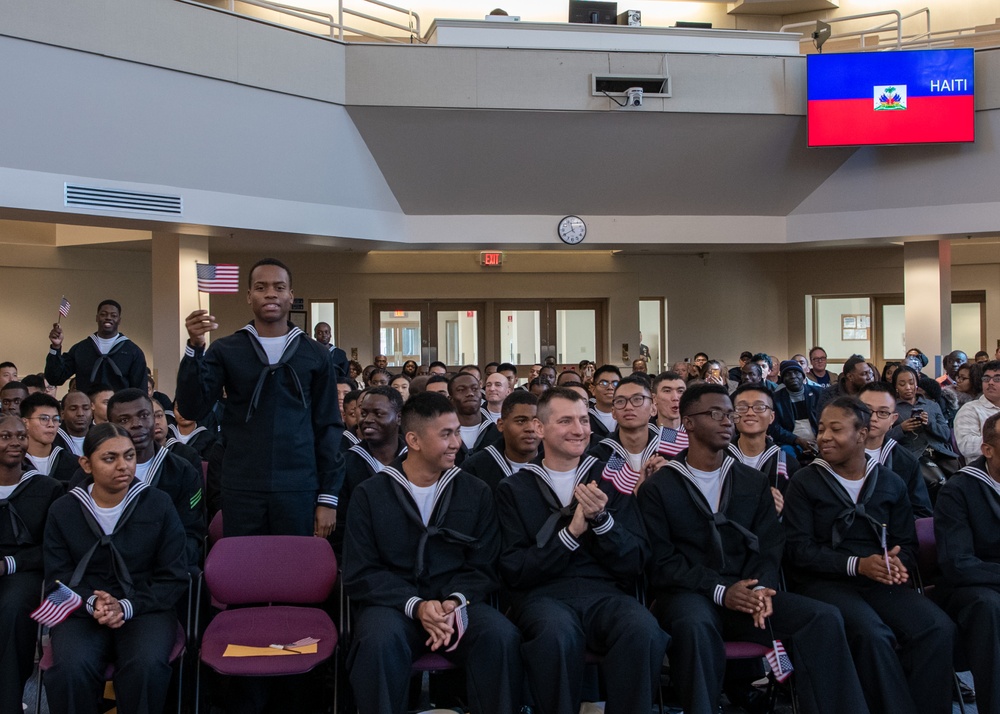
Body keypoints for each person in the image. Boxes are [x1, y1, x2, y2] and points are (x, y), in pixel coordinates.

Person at [638, 383, 868, 714]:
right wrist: (721, 590)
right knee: (695, 625)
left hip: (747, 595)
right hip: (688, 595)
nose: (727, 421)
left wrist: (760, 589)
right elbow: (662, 563)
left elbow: (770, 546)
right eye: (715, 414)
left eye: (729, 414)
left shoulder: (752, 480)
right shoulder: (660, 486)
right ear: (687, 422)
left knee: (823, 617)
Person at [343, 392, 523, 714]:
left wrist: (453, 600)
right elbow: (361, 571)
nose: (457, 442)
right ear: (413, 439)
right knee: (377, 643)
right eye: (446, 434)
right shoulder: (370, 494)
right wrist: (416, 605)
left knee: (500, 635)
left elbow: (484, 565)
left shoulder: (475, 490)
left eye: (456, 432)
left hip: (455, 603)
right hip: (394, 606)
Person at [495, 388, 668, 714]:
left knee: (643, 629)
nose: (579, 429)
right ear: (540, 428)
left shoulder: (611, 479)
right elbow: (513, 568)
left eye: (584, 420)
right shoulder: (513, 489)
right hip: (542, 596)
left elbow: (636, 560)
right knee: (556, 634)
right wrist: (572, 533)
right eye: (566, 421)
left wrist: (603, 522)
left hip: (603, 594)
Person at [782, 397, 956, 714]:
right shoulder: (805, 482)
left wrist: (898, 566)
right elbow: (797, 550)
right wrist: (857, 565)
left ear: (862, 434)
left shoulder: (889, 481)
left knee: (936, 628)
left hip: (879, 581)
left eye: (836, 429)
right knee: (872, 634)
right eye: (821, 429)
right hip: (825, 584)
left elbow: (907, 543)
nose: (824, 437)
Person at [176, 258, 344, 538]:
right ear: (248, 296)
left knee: (293, 568)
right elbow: (193, 407)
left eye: (279, 287)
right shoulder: (227, 349)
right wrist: (195, 348)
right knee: (245, 569)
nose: (270, 293)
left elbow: (328, 425)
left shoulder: (315, 353)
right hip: (241, 485)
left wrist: (328, 496)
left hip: (299, 484)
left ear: (291, 296)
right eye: (260, 287)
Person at [43, 423, 188, 714]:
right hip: (81, 608)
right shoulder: (63, 509)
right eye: (110, 458)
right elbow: (56, 581)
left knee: (145, 666)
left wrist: (125, 606)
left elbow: (173, 576)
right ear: (86, 463)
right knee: (71, 668)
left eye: (130, 456)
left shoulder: (158, 504)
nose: (123, 466)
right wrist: (94, 602)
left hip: (145, 606)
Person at [934, 411, 1000, 714]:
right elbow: (958, 564)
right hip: (971, 588)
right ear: (987, 450)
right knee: (988, 607)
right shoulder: (958, 489)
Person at [0, 415, 63, 714]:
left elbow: (53, 547)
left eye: (20, 436)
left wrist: (9, 563)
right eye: (5, 436)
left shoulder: (46, 489)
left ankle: (8, 701)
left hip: (25, 571)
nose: (14, 442)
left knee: (12, 606)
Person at [335, 386, 406, 545]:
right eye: (364, 413)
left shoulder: (414, 460)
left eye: (378, 414)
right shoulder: (345, 464)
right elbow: (340, 523)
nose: (367, 419)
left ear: (399, 417)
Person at [857, 383, 933, 518]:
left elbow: (922, 513)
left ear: (893, 419)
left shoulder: (906, 461)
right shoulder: (836, 453)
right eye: (867, 411)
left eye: (883, 413)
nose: (873, 418)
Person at [45, 300, 148, 394]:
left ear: (119, 320)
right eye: (103, 314)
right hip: (88, 409)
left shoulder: (133, 351)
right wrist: (55, 347)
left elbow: (140, 390)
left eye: (113, 315)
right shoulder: (81, 349)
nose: (108, 318)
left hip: (120, 410)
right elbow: (55, 378)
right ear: (97, 318)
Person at [588, 376, 666, 495]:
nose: (628, 407)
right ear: (613, 412)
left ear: (653, 408)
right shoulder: (598, 456)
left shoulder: (667, 453)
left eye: (637, 399)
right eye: (620, 401)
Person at [728, 383, 799, 509]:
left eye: (760, 407)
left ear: (772, 417)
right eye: (742, 407)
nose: (750, 412)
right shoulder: (719, 458)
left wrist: (781, 509)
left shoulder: (788, 465)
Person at [463, 391, 540, 493]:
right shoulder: (474, 469)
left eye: (536, 421)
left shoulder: (557, 463)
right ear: (500, 425)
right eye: (521, 421)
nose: (530, 428)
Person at [890, 366, 960, 475]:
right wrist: (901, 429)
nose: (908, 387)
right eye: (902, 384)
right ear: (896, 387)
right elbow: (883, 438)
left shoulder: (932, 405)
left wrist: (929, 424)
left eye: (911, 383)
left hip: (940, 453)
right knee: (937, 481)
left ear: (917, 384)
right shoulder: (891, 408)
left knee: (961, 479)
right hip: (913, 456)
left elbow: (946, 435)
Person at [20, 392, 78, 486]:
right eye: (44, 419)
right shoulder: (14, 462)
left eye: (55, 419)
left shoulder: (73, 463)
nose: (51, 424)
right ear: (25, 422)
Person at [770, 359, 821, 458]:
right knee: (786, 454)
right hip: (790, 443)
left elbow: (827, 421)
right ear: (783, 379)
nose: (793, 376)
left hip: (819, 441)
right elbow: (775, 428)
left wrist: (819, 441)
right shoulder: (775, 398)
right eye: (788, 374)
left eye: (796, 372)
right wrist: (797, 440)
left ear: (803, 376)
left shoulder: (819, 394)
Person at [954, 359, 1000, 461]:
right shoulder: (971, 409)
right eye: (986, 379)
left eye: (997, 379)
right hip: (985, 471)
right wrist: (997, 439)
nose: (990, 382)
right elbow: (966, 446)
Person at [449, 372, 497, 464]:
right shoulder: (443, 435)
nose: (470, 393)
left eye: (475, 389)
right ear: (451, 398)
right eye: (461, 390)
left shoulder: (496, 433)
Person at [651, 370, 689, 459]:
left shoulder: (696, 434)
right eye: (667, 391)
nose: (675, 398)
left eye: (680, 391)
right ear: (654, 398)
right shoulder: (643, 434)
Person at [587, 364, 621, 438]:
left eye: (615, 383)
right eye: (604, 383)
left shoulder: (628, 415)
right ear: (593, 389)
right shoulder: (585, 417)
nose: (610, 387)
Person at [56, 390, 92, 457]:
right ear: (62, 414)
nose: (80, 414)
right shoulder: (54, 440)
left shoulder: (102, 436)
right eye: (73, 409)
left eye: (86, 408)